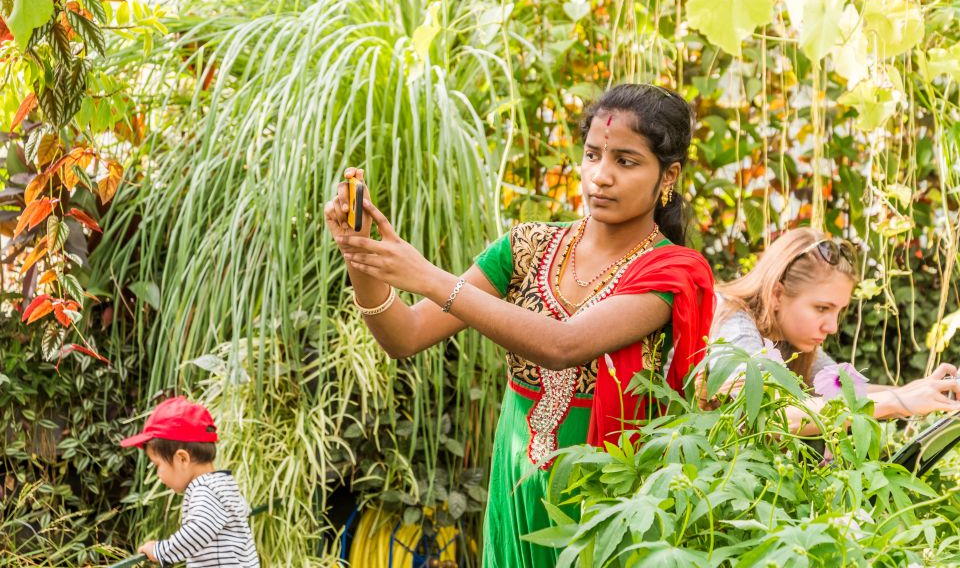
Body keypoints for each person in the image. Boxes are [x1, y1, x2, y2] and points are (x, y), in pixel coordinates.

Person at [325, 84, 715, 567]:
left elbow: (563, 345)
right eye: (592, 155)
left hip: (607, 496)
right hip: (516, 476)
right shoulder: (527, 248)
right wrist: (361, 257)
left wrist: (427, 277)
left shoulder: (671, 271)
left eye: (626, 162)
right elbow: (405, 336)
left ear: (668, 175)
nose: (601, 176)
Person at [710, 227, 960, 434]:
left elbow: (847, 391)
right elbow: (768, 414)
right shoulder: (733, 321)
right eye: (821, 308)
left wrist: (926, 392)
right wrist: (898, 401)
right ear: (777, 294)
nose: (832, 327)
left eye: (838, 311)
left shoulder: (789, 337)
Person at [120, 396, 259, 567]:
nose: (157, 473)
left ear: (182, 459)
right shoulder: (224, 483)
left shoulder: (204, 490)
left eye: (157, 464)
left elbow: (198, 531)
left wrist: (159, 550)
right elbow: (243, 510)